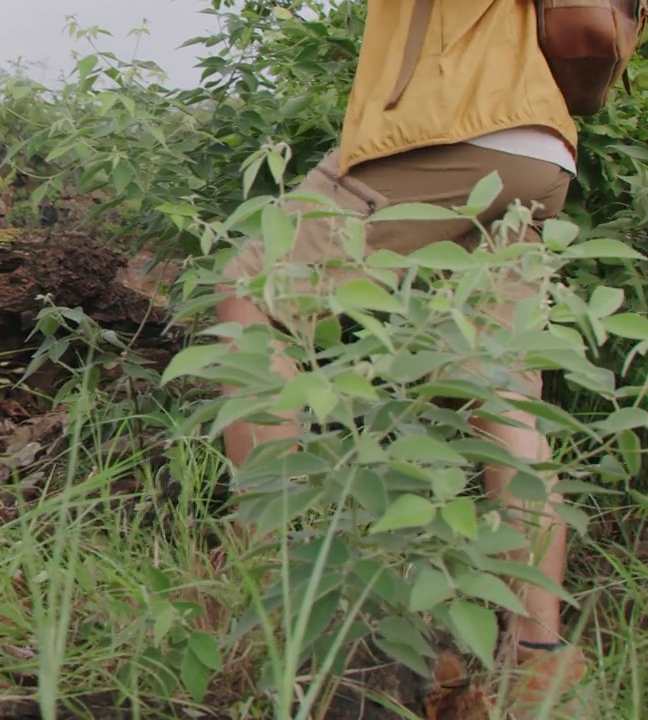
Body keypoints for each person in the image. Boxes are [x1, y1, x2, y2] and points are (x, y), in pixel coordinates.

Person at [213, 0, 588, 715]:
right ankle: (542, 664)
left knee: (248, 293)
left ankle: (269, 585)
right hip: (537, 144)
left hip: (447, 122)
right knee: (500, 386)